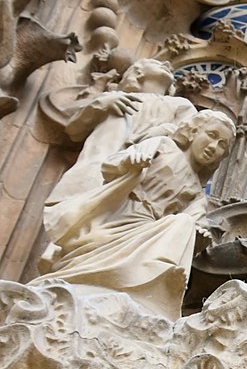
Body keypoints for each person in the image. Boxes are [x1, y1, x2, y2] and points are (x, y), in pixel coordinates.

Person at [34, 110, 236, 320]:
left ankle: (151, 283)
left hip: (149, 229)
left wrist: (198, 236)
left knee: (183, 223)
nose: (214, 147)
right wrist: (129, 163)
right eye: (211, 135)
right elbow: (111, 166)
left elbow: (195, 222)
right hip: (118, 214)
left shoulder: (197, 193)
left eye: (222, 145)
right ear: (193, 131)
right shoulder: (163, 146)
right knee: (91, 256)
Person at [46, 58, 197, 205]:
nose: (167, 64)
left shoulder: (180, 104)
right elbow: (74, 129)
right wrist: (100, 105)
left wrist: (166, 130)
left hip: (142, 176)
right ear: (138, 72)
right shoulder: (111, 98)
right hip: (96, 167)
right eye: (156, 63)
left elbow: (190, 136)